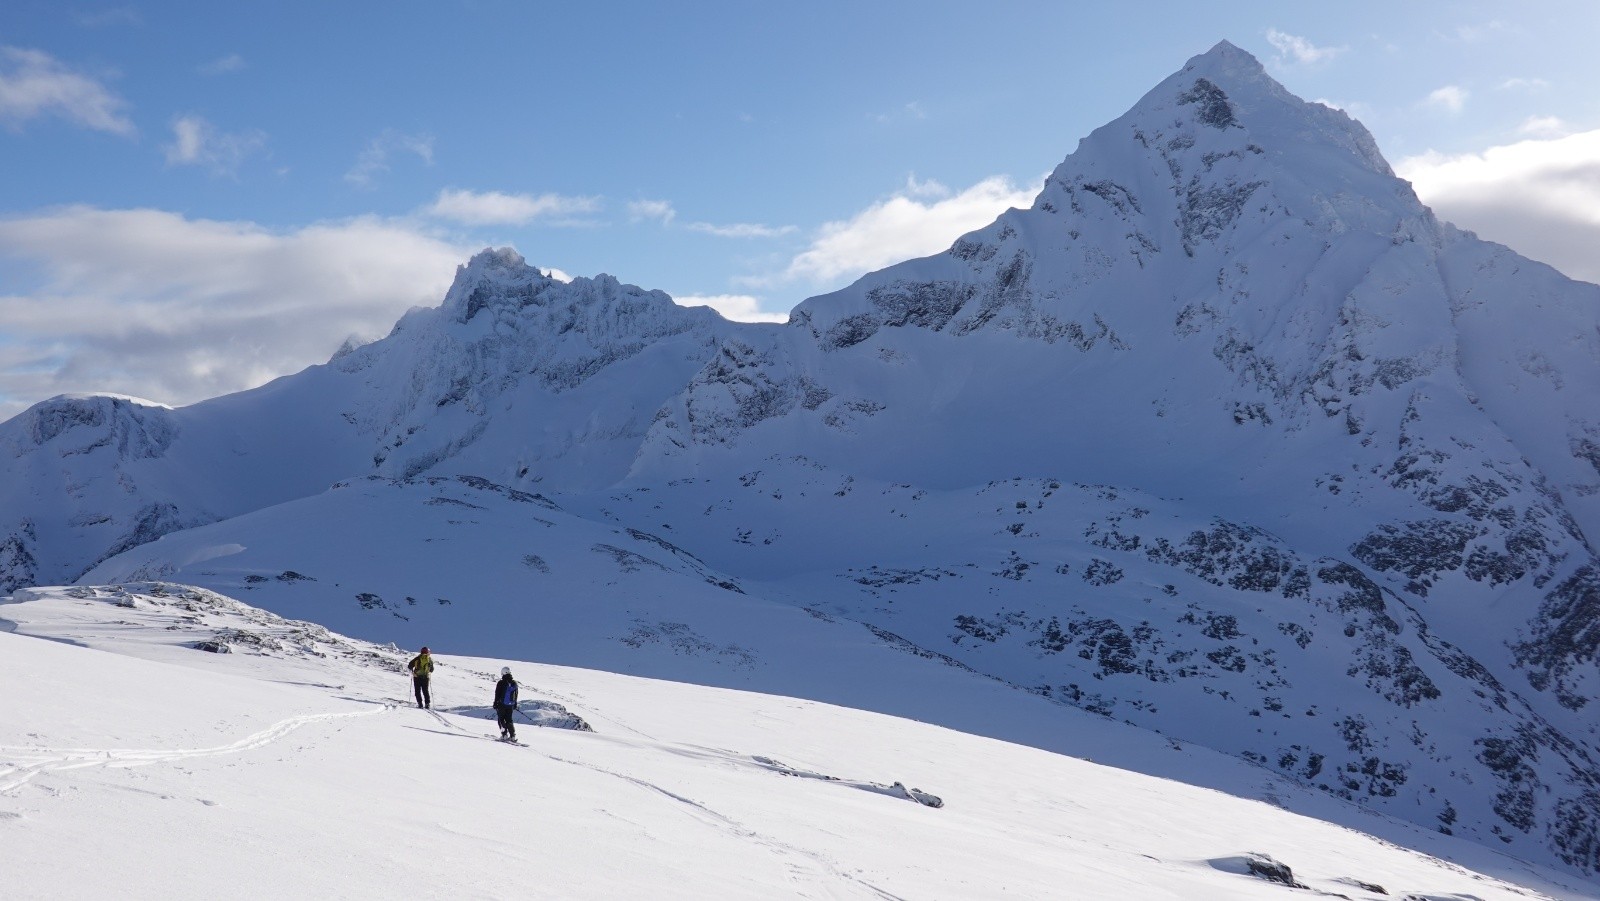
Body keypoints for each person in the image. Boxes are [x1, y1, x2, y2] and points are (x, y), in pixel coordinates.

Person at [493, 667, 520, 741]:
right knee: (509, 720)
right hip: (511, 704)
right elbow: (516, 694)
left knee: (501, 719)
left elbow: (497, 693)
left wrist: (495, 703)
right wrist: (515, 703)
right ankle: (512, 736)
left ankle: (504, 735)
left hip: (502, 704)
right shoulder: (514, 683)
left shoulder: (501, 682)